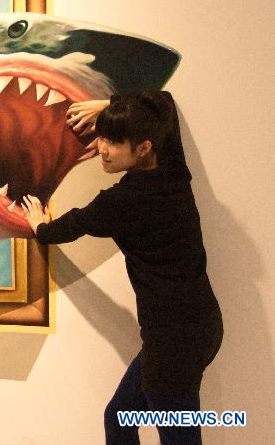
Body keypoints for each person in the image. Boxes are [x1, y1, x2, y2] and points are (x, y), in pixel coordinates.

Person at [22, 91, 222, 445]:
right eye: (103, 136)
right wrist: (112, 111)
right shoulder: (172, 167)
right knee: (119, 415)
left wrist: (39, 227)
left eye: (114, 141)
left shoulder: (122, 202)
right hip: (199, 326)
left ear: (143, 148)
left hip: (171, 340)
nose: (102, 148)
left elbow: (68, 228)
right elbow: (165, 103)